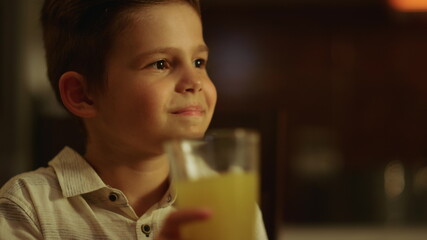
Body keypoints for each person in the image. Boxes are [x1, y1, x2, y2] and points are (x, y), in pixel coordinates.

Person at [0, 0, 268, 239]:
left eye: (199, 62)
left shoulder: (228, 204)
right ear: (82, 94)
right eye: (161, 64)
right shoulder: (28, 206)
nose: (194, 82)